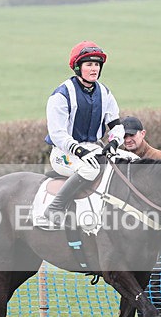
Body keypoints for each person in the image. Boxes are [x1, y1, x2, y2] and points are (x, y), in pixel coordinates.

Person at [42, 41, 125, 227]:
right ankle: (55, 207)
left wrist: (114, 142)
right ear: (78, 68)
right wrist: (79, 150)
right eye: (89, 64)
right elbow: (57, 133)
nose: (94, 68)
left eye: (97, 64)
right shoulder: (62, 94)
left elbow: (116, 125)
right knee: (91, 169)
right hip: (64, 152)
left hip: (93, 149)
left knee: (126, 161)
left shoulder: (105, 92)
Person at [120, 116, 161, 317]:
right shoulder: (120, 161)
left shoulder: (159, 160)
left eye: (132, 134)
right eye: (124, 135)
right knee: (135, 296)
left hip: (154, 242)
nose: (128, 139)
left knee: (154, 294)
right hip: (126, 243)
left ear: (143, 133)